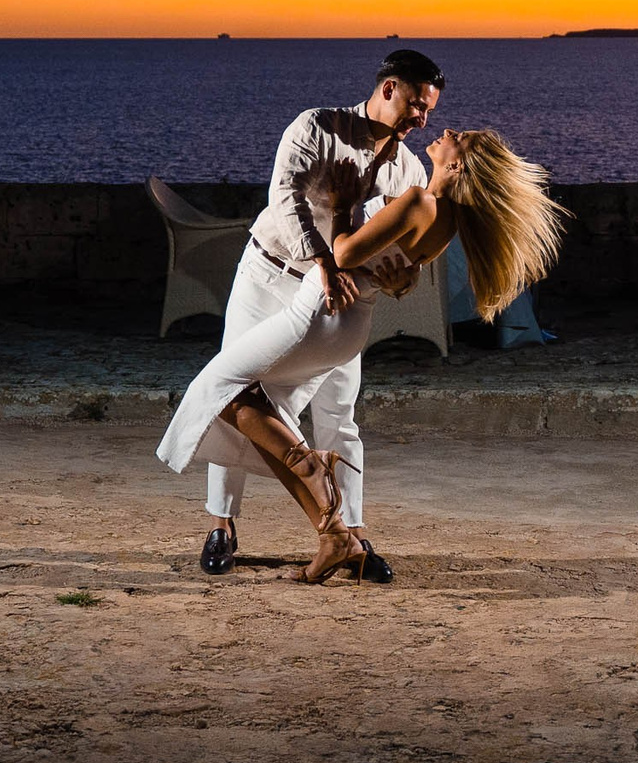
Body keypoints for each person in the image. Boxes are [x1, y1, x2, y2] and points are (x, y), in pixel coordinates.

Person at [156, 122, 565, 584]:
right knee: (246, 400)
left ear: (458, 164)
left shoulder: (416, 200)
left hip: (318, 313)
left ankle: (319, 488)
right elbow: (397, 267)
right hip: (347, 323)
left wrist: (346, 205)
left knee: (221, 389)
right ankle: (329, 525)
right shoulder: (447, 220)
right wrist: (401, 277)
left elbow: (346, 253)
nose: (445, 128)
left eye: (460, 136)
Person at [187, 50, 445, 583]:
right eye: (417, 104)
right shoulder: (317, 127)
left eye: (429, 109)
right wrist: (324, 261)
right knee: (238, 391)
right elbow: (285, 199)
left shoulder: (411, 170)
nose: (423, 118)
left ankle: (348, 533)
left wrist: (402, 280)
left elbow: (388, 251)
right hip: (269, 275)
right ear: (389, 87)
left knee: (339, 413)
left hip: (336, 301)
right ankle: (222, 526)